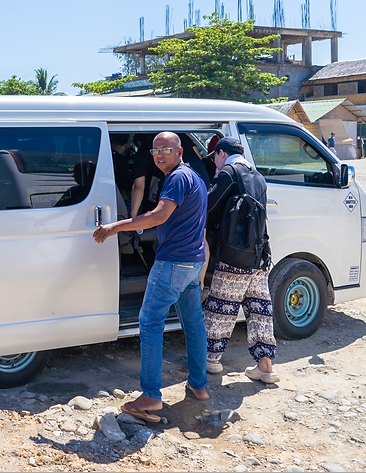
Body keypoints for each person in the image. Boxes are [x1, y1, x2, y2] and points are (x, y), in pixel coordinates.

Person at [93, 131, 209, 421]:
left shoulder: (178, 178)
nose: (159, 155)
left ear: (180, 151)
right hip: (192, 262)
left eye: (166, 149)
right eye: (155, 151)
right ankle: (199, 385)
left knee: (149, 322)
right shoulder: (193, 177)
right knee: (193, 323)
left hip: (173, 263)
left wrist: (114, 227)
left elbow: (158, 216)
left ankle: (151, 396)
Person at [201, 137, 279, 383]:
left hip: (234, 256)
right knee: (259, 310)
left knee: (221, 307)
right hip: (258, 254)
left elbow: (209, 207)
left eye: (214, 156)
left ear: (222, 154)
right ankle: (265, 366)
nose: (214, 161)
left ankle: (211, 360)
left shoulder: (228, 172)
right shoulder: (257, 176)